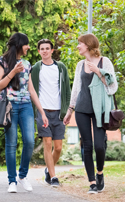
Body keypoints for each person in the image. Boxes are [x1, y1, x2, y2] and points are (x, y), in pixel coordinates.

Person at [63, 33, 118, 194]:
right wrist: (69, 111)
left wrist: (98, 72)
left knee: (99, 146)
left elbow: (113, 87)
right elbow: (76, 89)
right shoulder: (80, 64)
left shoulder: (104, 62)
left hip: (100, 110)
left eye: (80, 43)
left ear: (88, 45)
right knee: (87, 146)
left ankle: (100, 173)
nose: (78, 46)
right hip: (82, 109)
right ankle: (92, 182)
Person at [0, 32, 48, 193]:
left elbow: (31, 90)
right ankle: (12, 181)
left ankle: (22, 176)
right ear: (19, 45)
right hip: (9, 106)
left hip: (26, 105)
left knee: (30, 141)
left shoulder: (27, 63)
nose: (29, 47)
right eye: (26, 44)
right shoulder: (2, 61)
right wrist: (12, 71)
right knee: (11, 144)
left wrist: (42, 112)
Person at [31, 39, 71, 187]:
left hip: (58, 113)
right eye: (42, 49)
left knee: (58, 147)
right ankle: (54, 178)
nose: (45, 51)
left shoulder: (60, 68)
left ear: (52, 51)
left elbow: (67, 90)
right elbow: (32, 90)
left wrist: (67, 111)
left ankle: (49, 170)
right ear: (39, 51)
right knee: (47, 143)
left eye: (47, 48)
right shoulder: (36, 68)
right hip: (43, 112)